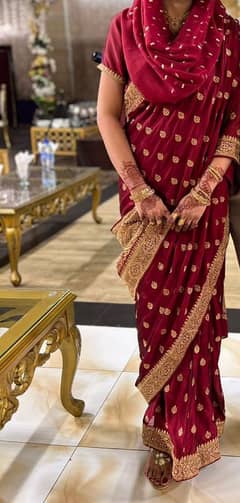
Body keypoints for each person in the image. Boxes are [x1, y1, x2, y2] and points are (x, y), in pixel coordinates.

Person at [97, 0, 240, 488]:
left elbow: (235, 125)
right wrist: (139, 189)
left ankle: (196, 429)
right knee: (156, 322)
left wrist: (204, 191)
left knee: (197, 325)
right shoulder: (125, 27)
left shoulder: (228, 33)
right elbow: (108, 116)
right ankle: (162, 432)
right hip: (146, 207)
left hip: (203, 204)